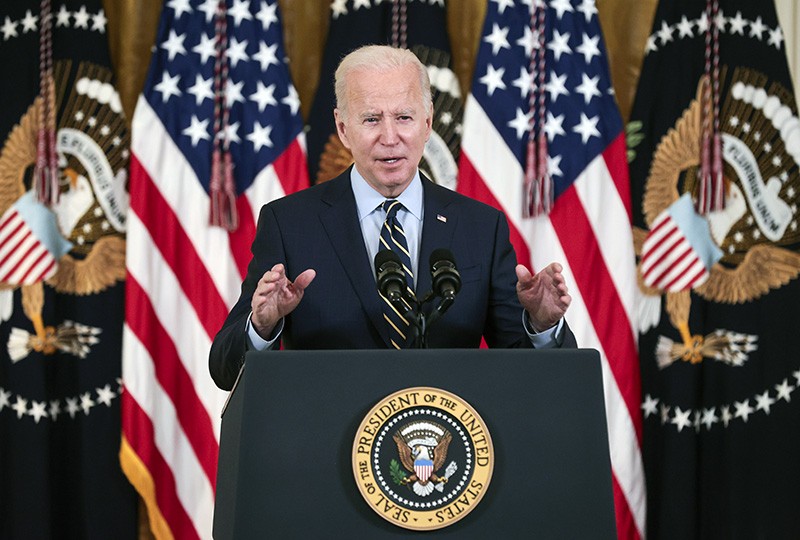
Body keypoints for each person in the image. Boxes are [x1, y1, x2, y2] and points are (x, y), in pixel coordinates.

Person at [209, 45, 576, 391]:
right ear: (342, 129)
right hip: (330, 447)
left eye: (404, 117)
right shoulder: (290, 224)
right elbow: (225, 371)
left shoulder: (481, 227)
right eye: (371, 119)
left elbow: (527, 374)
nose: (390, 137)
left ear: (427, 123)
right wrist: (262, 324)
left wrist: (542, 326)